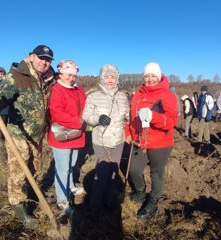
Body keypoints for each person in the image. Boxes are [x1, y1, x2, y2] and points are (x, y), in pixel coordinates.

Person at [0, 45, 55, 229]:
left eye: (48, 60)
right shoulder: (17, 76)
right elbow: (2, 95)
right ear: (31, 57)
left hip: (37, 136)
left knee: (35, 169)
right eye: (41, 58)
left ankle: (30, 197)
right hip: (18, 134)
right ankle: (18, 204)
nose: (44, 62)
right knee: (18, 172)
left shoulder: (47, 78)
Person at [126, 62, 178, 221]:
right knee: (134, 170)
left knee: (156, 174)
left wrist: (152, 116)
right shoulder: (138, 94)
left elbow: (171, 121)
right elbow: (131, 117)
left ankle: (153, 203)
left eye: (153, 75)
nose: (150, 79)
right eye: (147, 76)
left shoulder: (167, 95)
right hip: (140, 141)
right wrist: (128, 132)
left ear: (160, 76)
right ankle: (140, 192)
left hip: (160, 143)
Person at [82, 64, 129, 217]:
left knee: (113, 173)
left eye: (113, 77)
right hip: (101, 141)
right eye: (107, 77)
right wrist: (97, 118)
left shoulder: (122, 96)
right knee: (101, 174)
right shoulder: (93, 96)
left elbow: (127, 115)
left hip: (118, 141)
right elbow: (86, 116)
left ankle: (108, 200)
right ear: (102, 78)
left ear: (117, 79)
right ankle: (94, 206)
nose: (110, 80)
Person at [47, 60, 86, 220]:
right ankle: (62, 200)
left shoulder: (79, 90)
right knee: (62, 169)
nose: (72, 78)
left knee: (71, 165)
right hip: (62, 137)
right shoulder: (57, 89)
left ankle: (70, 186)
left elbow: (86, 107)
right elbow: (57, 113)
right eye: (69, 75)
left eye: (74, 75)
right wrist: (79, 122)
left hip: (76, 135)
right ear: (60, 74)